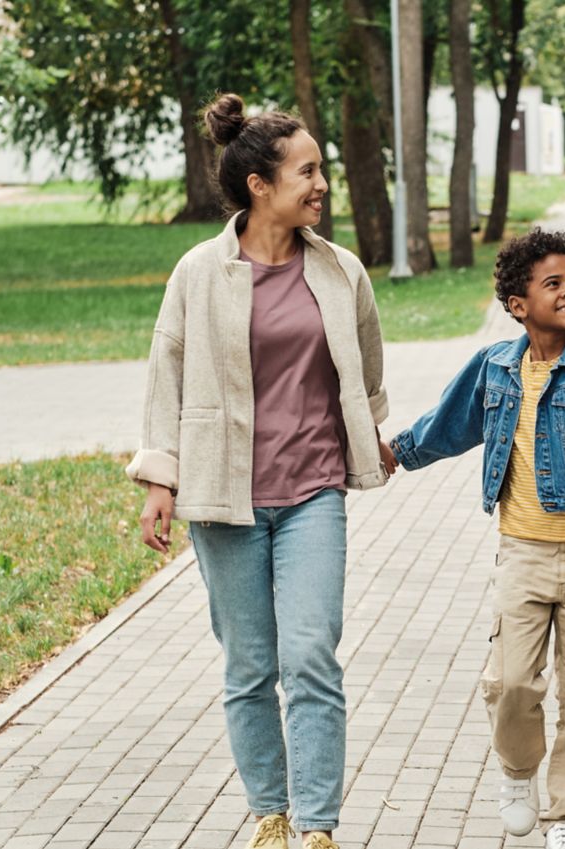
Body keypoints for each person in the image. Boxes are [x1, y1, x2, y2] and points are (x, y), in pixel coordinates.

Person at [127, 92, 394, 849]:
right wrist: (159, 477)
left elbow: (364, 367)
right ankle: (269, 814)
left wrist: (368, 430)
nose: (321, 184)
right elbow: (165, 375)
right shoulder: (198, 272)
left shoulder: (341, 272)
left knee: (309, 652)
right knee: (249, 665)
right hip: (224, 496)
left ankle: (316, 825)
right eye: (307, 172)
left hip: (312, 491)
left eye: (322, 171)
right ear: (259, 185)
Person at [383, 229, 565, 849]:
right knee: (509, 685)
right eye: (551, 283)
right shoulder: (495, 367)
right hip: (523, 553)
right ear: (516, 304)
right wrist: (394, 452)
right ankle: (517, 769)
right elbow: (447, 425)